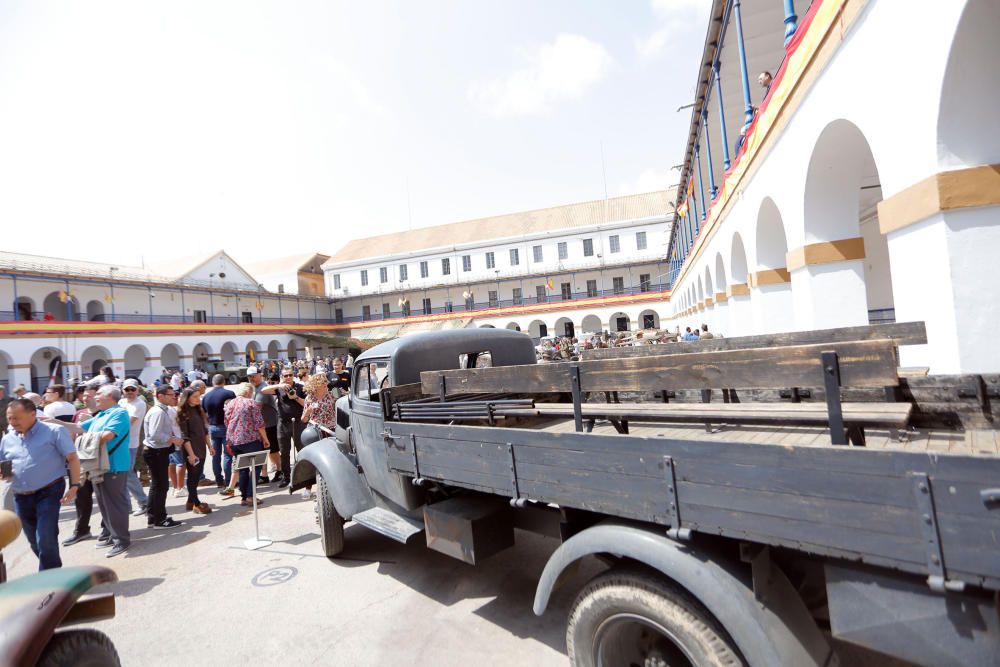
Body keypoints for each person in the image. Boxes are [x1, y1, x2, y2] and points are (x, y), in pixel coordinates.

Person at [0, 397, 81, 570]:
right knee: (34, 540)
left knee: (44, 536)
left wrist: (75, 485)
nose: (12, 422)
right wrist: (4, 474)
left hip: (49, 491)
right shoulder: (7, 439)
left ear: (32, 414)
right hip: (20, 495)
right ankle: (53, 569)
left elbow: (72, 458)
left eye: (16, 418)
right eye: (9, 418)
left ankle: (49, 577)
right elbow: (3, 464)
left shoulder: (54, 431)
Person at [79, 385, 132, 558]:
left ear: (110, 396)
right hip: (99, 465)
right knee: (104, 504)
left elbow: (107, 436)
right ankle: (112, 534)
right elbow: (79, 428)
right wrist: (52, 423)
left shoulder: (119, 413)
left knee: (115, 504)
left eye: (99, 394)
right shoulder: (101, 414)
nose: (95, 396)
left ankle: (122, 540)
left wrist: (80, 442)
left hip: (114, 465)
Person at [142, 385, 184, 529]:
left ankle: (153, 518)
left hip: (156, 451)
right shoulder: (158, 412)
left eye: (174, 394)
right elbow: (155, 435)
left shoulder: (161, 410)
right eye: (170, 394)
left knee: (157, 485)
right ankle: (159, 519)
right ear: (160, 396)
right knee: (161, 486)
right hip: (156, 452)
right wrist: (172, 439)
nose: (173, 397)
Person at [224, 383, 269, 507]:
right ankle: (250, 495)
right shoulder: (251, 403)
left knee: (242, 468)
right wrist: (265, 439)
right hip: (249, 440)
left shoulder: (230, 404)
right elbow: (259, 423)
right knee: (256, 467)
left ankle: (244, 497)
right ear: (250, 392)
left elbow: (226, 422)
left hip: (233, 441)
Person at [261, 368, 305, 489]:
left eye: (290, 375)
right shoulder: (279, 388)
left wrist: (295, 397)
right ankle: (286, 477)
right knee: (284, 452)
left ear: (293, 375)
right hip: (283, 424)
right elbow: (263, 390)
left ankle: (303, 477)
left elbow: (307, 403)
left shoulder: (301, 387)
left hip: (298, 423)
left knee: (301, 450)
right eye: (285, 375)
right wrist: (280, 385)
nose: (288, 377)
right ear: (282, 377)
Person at [176, 387, 212, 514]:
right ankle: (196, 503)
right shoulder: (183, 412)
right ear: (187, 398)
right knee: (193, 476)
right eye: (195, 396)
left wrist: (210, 446)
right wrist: (191, 455)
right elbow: (184, 436)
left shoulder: (198, 410)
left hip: (200, 446)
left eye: (199, 396)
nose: (198, 399)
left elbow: (204, 431)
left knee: (196, 475)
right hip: (191, 449)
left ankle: (190, 501)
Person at [119, 379, 149, 516]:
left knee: (127, 473)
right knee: (122, 474)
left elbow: (127, 423)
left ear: (137, 390)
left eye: (133, 389)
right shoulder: (121, 402)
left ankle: (143, 502)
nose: (130, 392)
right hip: (120, 443)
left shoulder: (139, 403)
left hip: (130, 443)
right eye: (127, 389)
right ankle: (129, 504)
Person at [203, 374, 235, 488]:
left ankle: (219, 480)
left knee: (215, 455)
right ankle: (228, 480)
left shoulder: (206, 396)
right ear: (224, 382)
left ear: (212, 382)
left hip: (212, 426)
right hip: (226, 427)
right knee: (227, 455)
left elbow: (204, 413)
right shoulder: (229, 394)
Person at [248, 366, 279, 484]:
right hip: (261, 425)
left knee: (273, 451)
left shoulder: (262, 388)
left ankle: (280, 471)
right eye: (250, 376)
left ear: (260, 375)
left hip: (270, 424)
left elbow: (256, 408)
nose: (252, 378)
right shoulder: (254, 388)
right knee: (263, 451)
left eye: (254, 376)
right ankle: (264, 475)